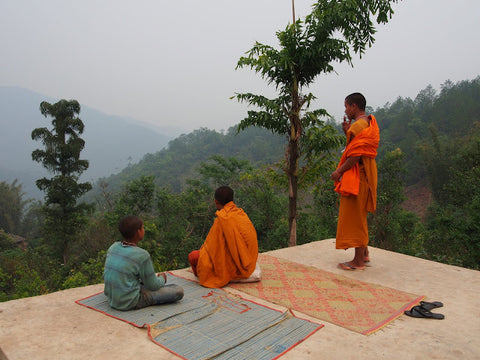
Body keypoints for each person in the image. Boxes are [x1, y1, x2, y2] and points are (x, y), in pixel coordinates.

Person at [331, 93, 379, 270]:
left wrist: (338, 171)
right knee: (360, 214)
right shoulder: (368, 123)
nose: (345, 110)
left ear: (354, 106)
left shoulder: (358, 126)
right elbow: (358, 148)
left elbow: (355, 156)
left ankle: (358, 261)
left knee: (356, 217)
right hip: (368, 174)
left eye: (347, 106)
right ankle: (364, 253)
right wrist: (347, 132)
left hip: (358, 176)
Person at [103, 215, 184, 310]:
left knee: (140, 280)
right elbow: (153, 286)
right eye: (142, 228)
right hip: (129, 301)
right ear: (138, 232)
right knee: (178, 291)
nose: (144, 230)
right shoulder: (142, 255)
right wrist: (162, 278)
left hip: (112, 297)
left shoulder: (113, 247)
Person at [188, 186, 259, 288]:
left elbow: (210, 249)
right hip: (249, 262)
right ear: (232, 200)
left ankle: (201, 274)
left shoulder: (222, 220)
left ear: (216, 201)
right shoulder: (242, 214)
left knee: (193, 256)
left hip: (232, 265)